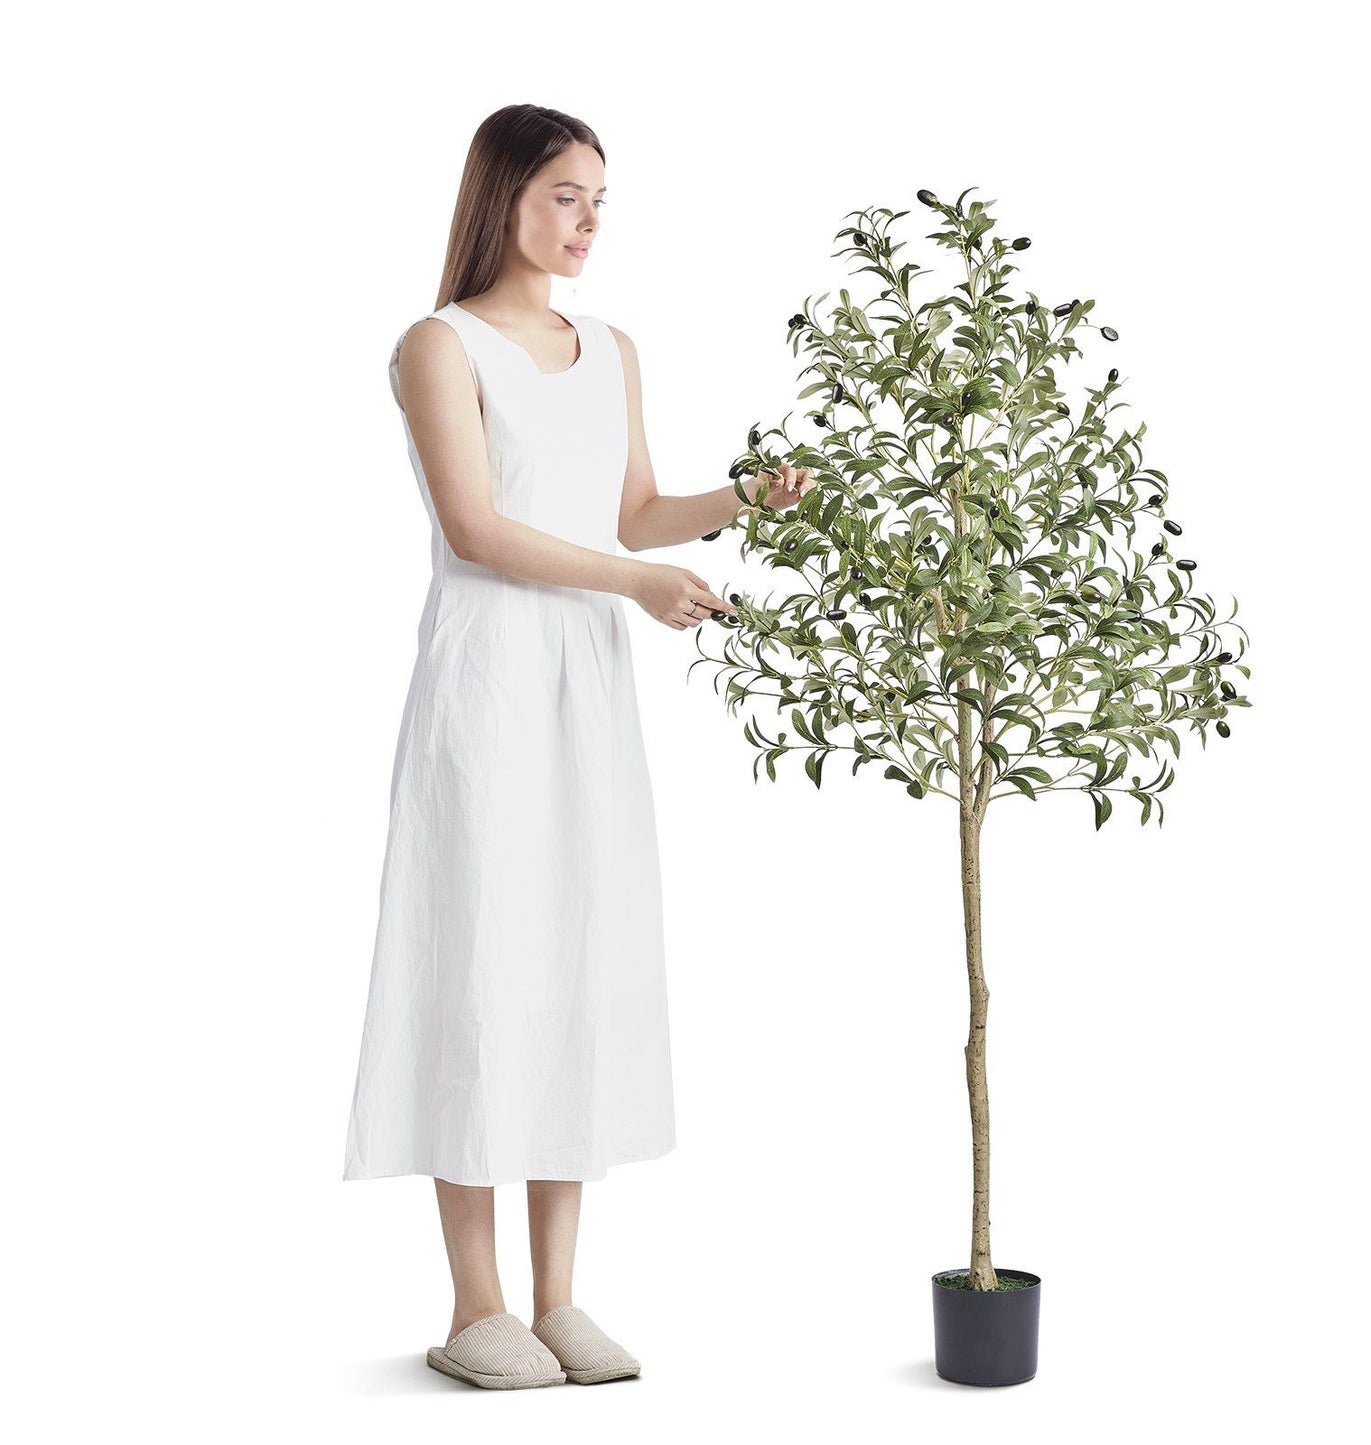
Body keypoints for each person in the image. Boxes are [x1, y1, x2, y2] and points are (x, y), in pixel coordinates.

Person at [341, 103, 813, 1390]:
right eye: (564, 194)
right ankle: (475, 1299)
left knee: (576, 953)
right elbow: (479, 529)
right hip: (489, 675)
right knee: (481, 949)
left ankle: (559, 1295)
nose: (588, 218)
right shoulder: (436, 345)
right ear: (501, 196)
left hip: (584, 685)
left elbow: (638, 511)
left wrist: (751, 497)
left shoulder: (609, 347)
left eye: (600, 197)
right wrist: (627, 583)